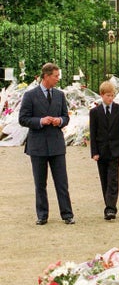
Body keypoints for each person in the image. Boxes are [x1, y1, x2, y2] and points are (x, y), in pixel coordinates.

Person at [18, 63, 75, 225]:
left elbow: (66, 117)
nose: (58, 79)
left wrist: (60, 121)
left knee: (62, 182)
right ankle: (42, 215)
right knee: (40, 183)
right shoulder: (30, 95)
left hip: (56, 145)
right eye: (56, 76)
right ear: (46, 76)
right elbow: (22, 119)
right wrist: (40, 121)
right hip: (38, 145)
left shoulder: (59, 95)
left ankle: (67, 214)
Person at [89, 81, 119, 220]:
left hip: (115, 150)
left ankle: (111, 208)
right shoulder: (94, 112)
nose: (110, 98)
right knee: (104, 180)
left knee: (113, 179)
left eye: (112, 95)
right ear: (101, 95)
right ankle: (108, 204)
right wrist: (94, 152)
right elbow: (93, 133)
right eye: (108, 96)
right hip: (101, 151)